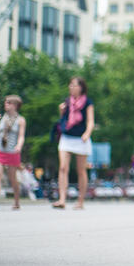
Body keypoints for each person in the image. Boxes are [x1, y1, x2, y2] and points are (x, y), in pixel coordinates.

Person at [54, 77, 94, 210]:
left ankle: (80, 201)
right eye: (70, 85)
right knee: (63, 168)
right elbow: (63, 120)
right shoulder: (67, 102)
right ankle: (62, 199)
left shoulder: (87, 102)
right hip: (66, 137)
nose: (71, 87)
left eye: (74, 85)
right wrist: (61, 111)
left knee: (81, 170)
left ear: (81, 87)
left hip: (80, 138)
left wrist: (87, 133)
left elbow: (90, 121)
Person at [0, 95, 26, 210]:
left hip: (13, 153)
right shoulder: (0, 118)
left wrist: (19, 145)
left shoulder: (21, 120)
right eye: (6, 102)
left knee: (12, 179)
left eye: (8, 103)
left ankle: (16, 201)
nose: (5, 104)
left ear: (15, 105)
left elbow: (21, 136)